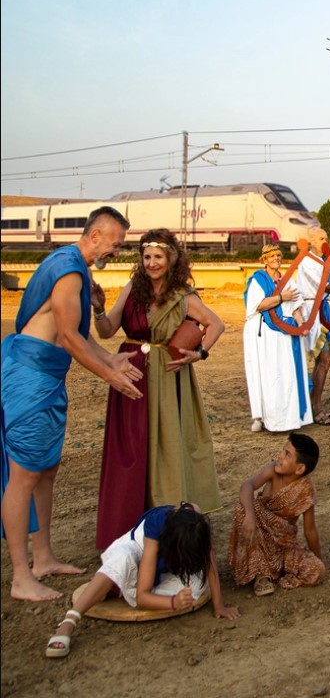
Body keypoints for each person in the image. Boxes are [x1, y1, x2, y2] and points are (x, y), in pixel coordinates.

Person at [2, 206, 143, 601]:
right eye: (115, 244)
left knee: (46, 469)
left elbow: (80, 337)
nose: (116, 252)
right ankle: (20, 576)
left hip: (47, 377)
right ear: (95, 236)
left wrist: (110, 357)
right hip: (30, 378)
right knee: (24, 475)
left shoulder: (78, 269)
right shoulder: (67, 270)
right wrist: (108, 375)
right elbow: (66, 336)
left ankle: (43, 557)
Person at [93, 229, 224, 550]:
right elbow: (108, 330)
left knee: (168, 446)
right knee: (134, 447)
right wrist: (98, 309)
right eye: (147, 256)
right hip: (133, 376)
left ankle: (168, 520)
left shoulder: (183, 296)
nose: (151, 263)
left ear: (171, 260)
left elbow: (216, 324)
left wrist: (200, 352)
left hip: (169, 379)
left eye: (158, 257)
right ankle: (131, 520)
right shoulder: (131, 290)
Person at [44, 502, 238, 658]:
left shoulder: (197, 525)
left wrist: (219, 605)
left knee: (198, 586)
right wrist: (173, 602)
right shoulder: (156, 528)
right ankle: (69, 621)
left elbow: (209, 563)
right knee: (121, 560)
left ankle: (118, 587)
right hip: (138, 556)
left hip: (166, 568)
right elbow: (142, 597)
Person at [230, 432, 328, 596]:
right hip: (258, 540)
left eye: (287, 454)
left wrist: (319, 558)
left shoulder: (305, 490)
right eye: (283, 451)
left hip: (283, 547)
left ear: (300, 468)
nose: (280, 456)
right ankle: (261, 575)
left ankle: (274, 570)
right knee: (245, 507)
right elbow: (247, 485)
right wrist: (250, 517)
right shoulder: (272, 471)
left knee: (317, 570)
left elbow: (310, 531)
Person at [243, 243, 312, 433]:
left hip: (285, 334)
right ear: (264, 260)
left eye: (278, 256)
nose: (276, 259)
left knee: (285, 375)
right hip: (264, 334)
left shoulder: (288, 279)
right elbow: (258, 305)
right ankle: (263, 417)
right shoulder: (258, 280)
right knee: (266, 375)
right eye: (272, 256)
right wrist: (282, 297)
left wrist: (301, 325)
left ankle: (288, 418)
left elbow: (297, 305)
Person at [291, 226, 330, 425]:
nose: (324, 241)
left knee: (324, 360)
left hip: (323, 312)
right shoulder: (306, 261)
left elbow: (328, 289)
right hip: (310, 312)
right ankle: (311, 407)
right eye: (320, 238)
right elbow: (320, 286)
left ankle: (312, 405)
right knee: (320, 359)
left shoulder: (324, 262)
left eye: (326, 237)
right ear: (311, 241)